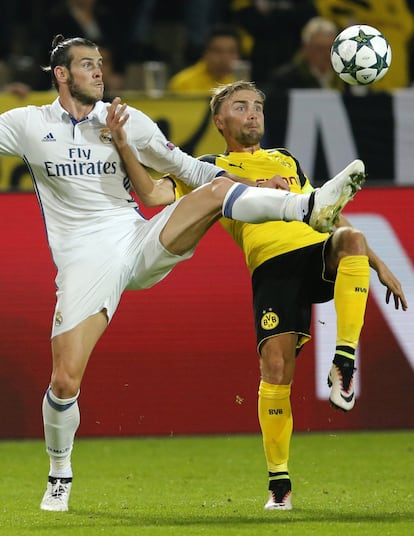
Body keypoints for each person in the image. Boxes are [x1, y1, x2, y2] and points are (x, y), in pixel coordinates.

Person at [0, 35, 364, 513]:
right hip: (86, 260)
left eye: (100, 63)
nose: (98, 72)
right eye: (86, 65)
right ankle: (59, 473)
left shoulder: (127, 118)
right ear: (61, 74)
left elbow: (193, 171)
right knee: (65, 381)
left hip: (138, 238)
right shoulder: (27, 124)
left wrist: (255, 184)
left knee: (212, 195)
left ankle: (307, 204)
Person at [143, 81, 406, 511]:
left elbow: (326, 212)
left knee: (352, 237)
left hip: (312, 249)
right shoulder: (207, 169)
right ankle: (279, 484)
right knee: (276, 371)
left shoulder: (286, 159)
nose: (252, 114)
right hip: (272, 269)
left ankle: (343, 362)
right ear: (219, 121)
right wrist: (123, 149)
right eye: (241, 106)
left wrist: (379, 263)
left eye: (258, 107)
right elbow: (156, 194)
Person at [265, 16, 343, 93]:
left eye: (330, 48)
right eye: (320, 49)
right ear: (306, 48)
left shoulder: (346, 76)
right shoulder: (285, 79)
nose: (327, 54)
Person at [168, 24, 241, 95]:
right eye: (217, 51)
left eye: (231, 51)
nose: (224, 58)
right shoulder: (182, 83)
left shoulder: (241, 83)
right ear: (205, 53)